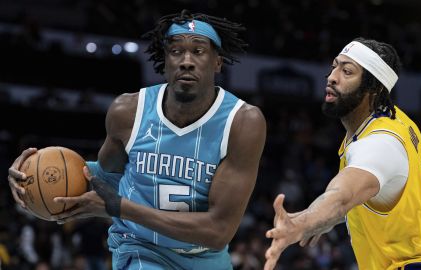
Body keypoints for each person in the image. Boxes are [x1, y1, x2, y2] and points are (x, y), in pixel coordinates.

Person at [8, 9, 266, 270]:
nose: (186, 61)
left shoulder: (242, 123)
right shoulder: (128, 111)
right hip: (141, 249)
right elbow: (102, 176)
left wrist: (121, 207)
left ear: (217, 62)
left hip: (207, 257)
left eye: (198, 51)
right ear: (165, 61)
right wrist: (33, 174)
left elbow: (218, 230)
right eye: (176, 51)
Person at [264, 38, 421, 269]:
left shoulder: (380, 142)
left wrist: (301, 224)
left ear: (374, 87)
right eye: (334, 66)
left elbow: (341, 196)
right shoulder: (394, 121)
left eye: (347, 71)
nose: (332, 76)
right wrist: (318, 219)